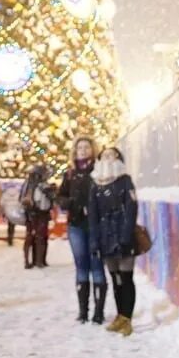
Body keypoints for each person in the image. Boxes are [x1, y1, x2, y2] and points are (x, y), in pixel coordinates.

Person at [88, 146, 138, 336]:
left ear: (118, 157)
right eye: (105, 154)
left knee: (126, 277)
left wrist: (126, 235)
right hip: (105, 236)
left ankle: (127, 318)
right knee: (115, 277)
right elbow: (92, 214)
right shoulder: (95, 183)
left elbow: (131, 208)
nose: (108, 157)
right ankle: (120, 316)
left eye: (113, 154)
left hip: (122, 234)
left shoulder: (125, 180)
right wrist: (94, 241)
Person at [57, 137, 106, 323]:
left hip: (96, 226)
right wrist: (70, 203)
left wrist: (93, 207)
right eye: (80, 148)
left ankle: (98, 313)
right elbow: (60, 196)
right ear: (75, 151)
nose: (83, 150)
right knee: (81, 266)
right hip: (76, 225)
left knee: (97, 266)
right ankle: (83, 311)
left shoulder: (100, 171)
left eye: (86, 147)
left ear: (92, 150)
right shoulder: (70, 174)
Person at [20, 163, 54, 269]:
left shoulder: (27, 184)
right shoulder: (43, 185)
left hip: (30, 213)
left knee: (30, 236)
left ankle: (29, 261)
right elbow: (51, 199)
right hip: (40, 214)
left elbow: (21, 198)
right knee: (41, 237)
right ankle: (40, 261)